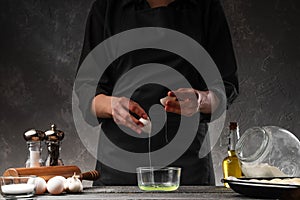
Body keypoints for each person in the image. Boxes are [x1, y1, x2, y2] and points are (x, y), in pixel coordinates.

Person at [76, 0, 239, 186]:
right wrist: (112, 106)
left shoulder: (206, 7)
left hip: (187, 166)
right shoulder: (107, 7)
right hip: (119, 165)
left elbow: (225, 85)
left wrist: (200, 100)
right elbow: (86, 88)